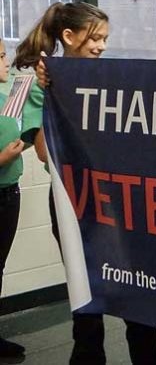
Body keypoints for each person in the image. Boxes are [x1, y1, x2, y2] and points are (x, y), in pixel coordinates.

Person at [17, 2, 156, 365]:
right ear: (68, 36)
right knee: (83, 283)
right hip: (72, 198)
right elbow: (40, 153)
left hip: (118, 196)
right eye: (95, 37)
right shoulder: (42, 82)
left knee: (134, 277)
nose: (101, 46)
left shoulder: (112, 81)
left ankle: (148, 355)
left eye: (105, 39)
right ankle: (87, 356)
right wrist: (52, 95)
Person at [0, 38, 43, 360]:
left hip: (8, 192)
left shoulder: (7, 98)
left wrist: (24, 143)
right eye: (1, 57)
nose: (6, 62)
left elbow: (22, 138)